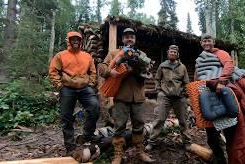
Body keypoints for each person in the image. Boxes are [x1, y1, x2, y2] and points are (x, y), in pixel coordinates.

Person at [194, 34, 245, 164]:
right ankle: (220, 159)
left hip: (221, 92)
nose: (207, 43)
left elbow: (228, 65)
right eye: (204, 41)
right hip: (207, 94)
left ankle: (235, 157)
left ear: (213, 42)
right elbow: (197, 75)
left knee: (230, 129)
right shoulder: (199, 59)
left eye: (209, 41)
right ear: (201, 43)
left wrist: (221, 80)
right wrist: (196, 93)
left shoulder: (221, 53)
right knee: (211, 134)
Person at [100, 28, 154, 164]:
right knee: (119, 126)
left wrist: (143, 70)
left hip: (138, 96)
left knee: (139, 125)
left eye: (132, 37)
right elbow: (101, 68)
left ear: (134, 40)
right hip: (121, 96)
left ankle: (140, 152)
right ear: (122, 39)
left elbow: (148, 73)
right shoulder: (114, 53)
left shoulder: (142, 54)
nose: (129, 39)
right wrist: (110, 72)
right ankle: (118, 155)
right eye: (127, 37)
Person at [49, 31, 100, 155]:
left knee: (95, 107)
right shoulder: (61, 55)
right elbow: (53, 71)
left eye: (78, 39)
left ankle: (88, 135)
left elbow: (93, 71)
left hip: (84, 87)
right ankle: (70, 146)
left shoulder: (87, 56)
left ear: (81, 41)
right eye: (73, 39)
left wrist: (91, 83)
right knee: (66, 116)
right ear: (69, 41)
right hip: (67, 87)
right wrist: (59, 85)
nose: (75, 41)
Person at [146, 45, 190, 150]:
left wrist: (183, 93)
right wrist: (159, 90)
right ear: (168, 53)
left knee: (183, 120)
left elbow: (186, 82)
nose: (173, 53)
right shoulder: (162, 65)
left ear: (177, 54)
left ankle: (187, 142)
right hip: (164, 96)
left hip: (179, 97)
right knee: (160, 119)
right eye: (171, 52)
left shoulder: (182, 67)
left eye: (175, 52)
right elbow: (157, 79)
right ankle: (152, 141)